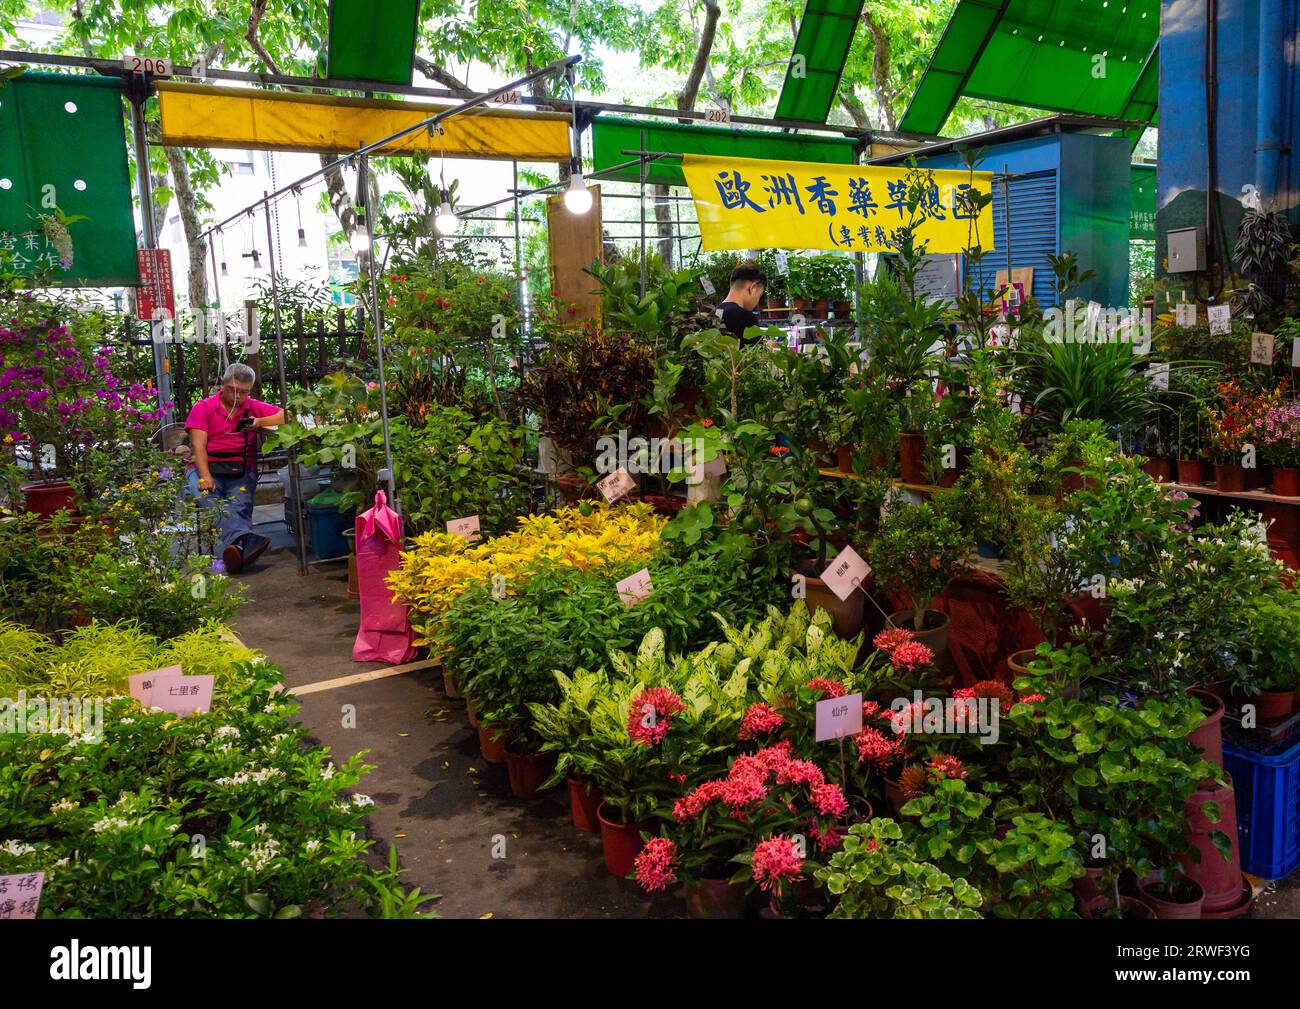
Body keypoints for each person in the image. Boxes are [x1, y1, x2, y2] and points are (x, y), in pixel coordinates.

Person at [185, 363, 285, 574]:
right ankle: (245, 542)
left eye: (244, 392)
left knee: (238, 505)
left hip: (239, 467)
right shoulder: (203, 407)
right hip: (205, 466)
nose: (238, 396)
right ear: (222, 384)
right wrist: (205, 476)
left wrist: (259, 422)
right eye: (232, 390)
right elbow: (197, 445)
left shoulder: (251, 406)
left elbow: (285, 415)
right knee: (210, 502)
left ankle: (238, 549)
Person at [714, 264, 767, 342]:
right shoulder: (746, 317)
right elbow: (758, 352)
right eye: (759, 295)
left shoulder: (713, 313)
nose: (757, 302)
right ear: (753, 288)